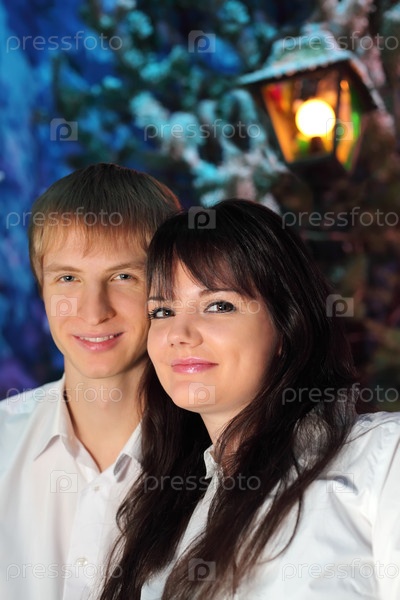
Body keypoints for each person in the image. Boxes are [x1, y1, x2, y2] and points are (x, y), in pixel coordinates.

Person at [100, 199, 400, 600]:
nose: (179, 334)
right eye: (162, 312)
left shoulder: (381, 457)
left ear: (286, 324)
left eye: (218, 305)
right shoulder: (160, 509)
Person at [0, 163, 180, 600]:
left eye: (123, 277)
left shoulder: (224, 459)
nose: (94, 311)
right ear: (42, 288)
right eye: (68, 278)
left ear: (167, 287)